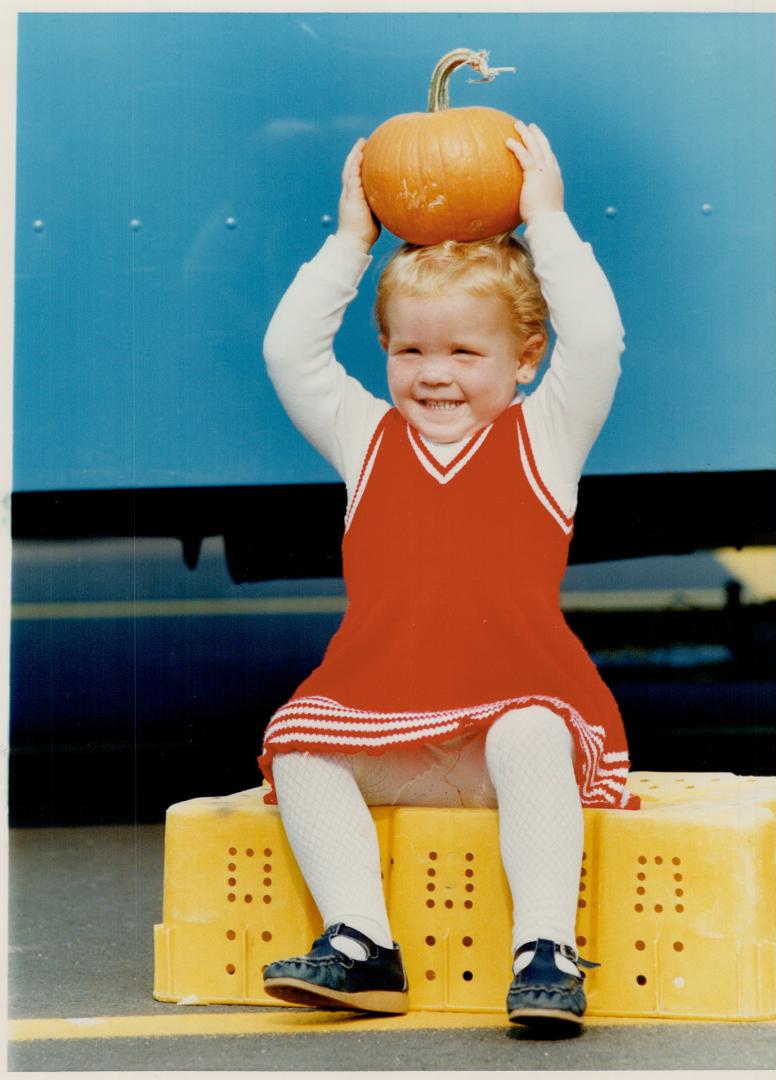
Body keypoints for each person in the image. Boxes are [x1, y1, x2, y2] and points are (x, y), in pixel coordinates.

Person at [257, 120, 639, 1032]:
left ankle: (544, 950)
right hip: (396, 727)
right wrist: (350, 243)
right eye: (410, 352)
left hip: (505, 739)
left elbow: (599, 341)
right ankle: (361, 943)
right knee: (302, 746)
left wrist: (546, 221)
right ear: (383, 350)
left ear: (524, 360)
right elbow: (288, 355)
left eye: (465, 353)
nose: (433, 376)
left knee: (532, 728)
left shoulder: (544, 440)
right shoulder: (366, 440)